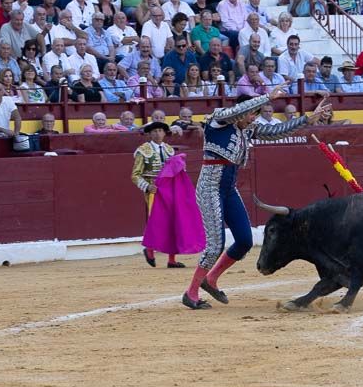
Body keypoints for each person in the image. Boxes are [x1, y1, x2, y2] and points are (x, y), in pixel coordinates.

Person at [184, 86, 333, 309]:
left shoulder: (247, 129)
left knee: (244, 240)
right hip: (210, 188)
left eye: (255, 114)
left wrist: (307, 119)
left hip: (228, 189)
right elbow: (238, 111)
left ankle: (211, 279)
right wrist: (266, 97)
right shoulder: (218, 120)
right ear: (241, 111)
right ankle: (191, 292)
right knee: (216, 244)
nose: (253, 118)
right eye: (251, 113)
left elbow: (277, 131)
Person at [131, 121, 184, 269]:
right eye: (154, 131)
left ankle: (172, 259)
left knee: (173, 222)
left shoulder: (169, 150)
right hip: (153, 191)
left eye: (160, 131)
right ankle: (149, 250)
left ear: (164, 133)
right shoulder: (143, 150)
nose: (158, 134)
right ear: (149, 134)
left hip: (169, 190)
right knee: (156, 222)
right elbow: (135, 175)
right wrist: (147, 187)